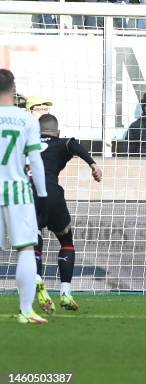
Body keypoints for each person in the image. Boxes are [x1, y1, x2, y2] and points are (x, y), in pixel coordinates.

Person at [33, 114, 103, 313]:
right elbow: (73, 145)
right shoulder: (61, 142)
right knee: (66, 242)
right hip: (52, 193)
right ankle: (65, 291)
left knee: (34, 239)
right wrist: (93, 164)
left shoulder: (26, 144)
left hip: (28, 193)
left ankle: (37, 279)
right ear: (58, 132)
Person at [0, 69, 48, 324]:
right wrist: (42, 192)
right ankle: (26, 311)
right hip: (17, 191)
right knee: (26, 249)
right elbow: (35, 160)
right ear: (13, 88)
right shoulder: (26, 119)